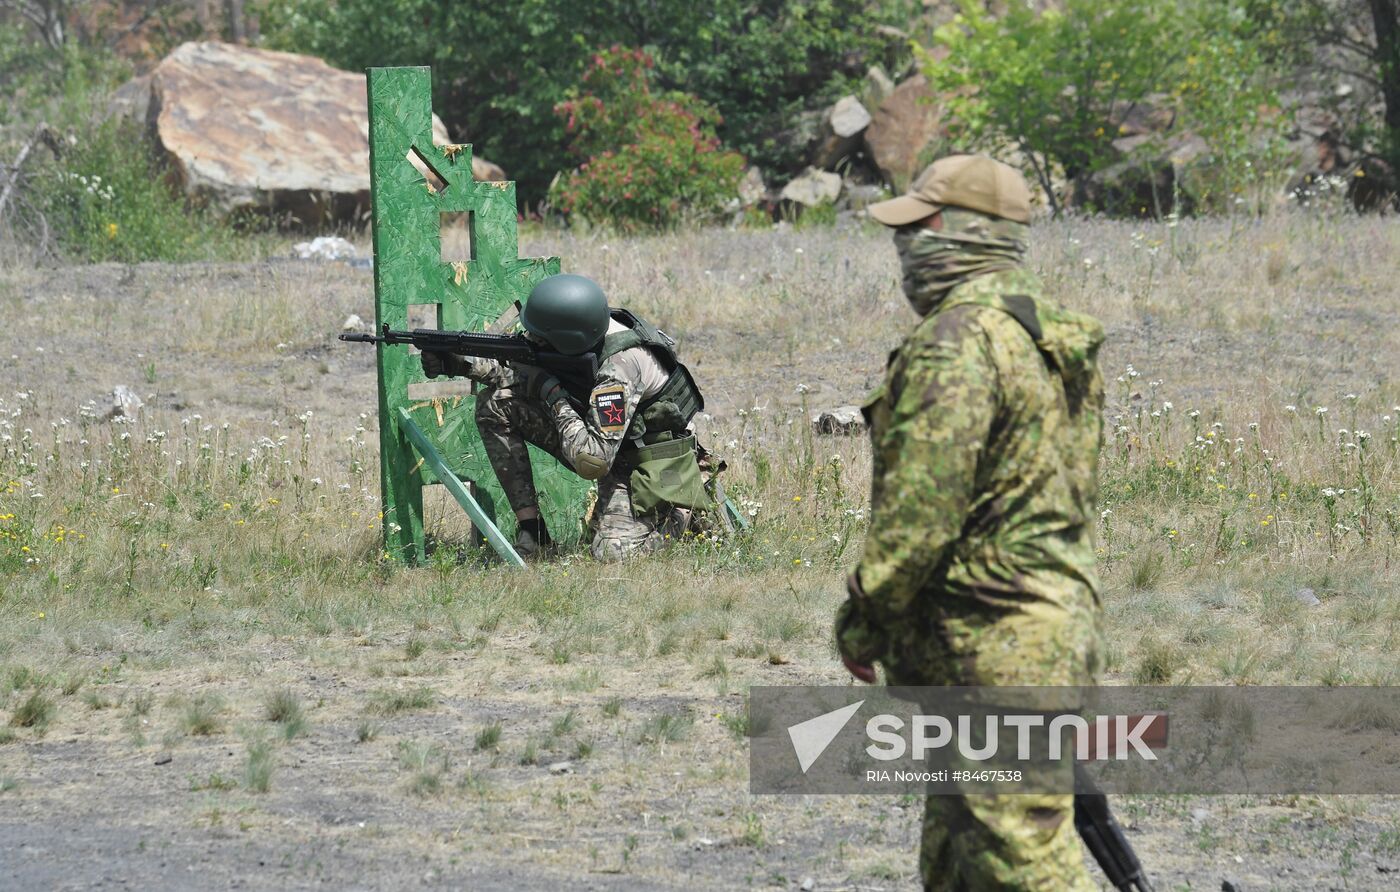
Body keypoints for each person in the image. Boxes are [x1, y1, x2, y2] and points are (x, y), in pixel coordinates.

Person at [834, 155, 1108, 890]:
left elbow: (921, 515)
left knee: (1021, 861)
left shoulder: (960, 339)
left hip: (986, 640)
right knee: (959, 860)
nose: (904, 248)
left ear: (962, 232)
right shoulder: (1046, 332)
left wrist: (864, 618)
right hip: (1045, 624)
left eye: (917, 228)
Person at [420, 273, 714, 560]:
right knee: (496, 404)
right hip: (613, 445)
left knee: (610, 552)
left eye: (540, 337)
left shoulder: (619, 368)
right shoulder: (583, 330)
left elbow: (594, 462)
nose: (531, 338)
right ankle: (534, 533)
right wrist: (460, 364)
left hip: (650, 464)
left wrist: (554, 396)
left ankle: (680, 515)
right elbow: (520, 366)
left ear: (565, 340)